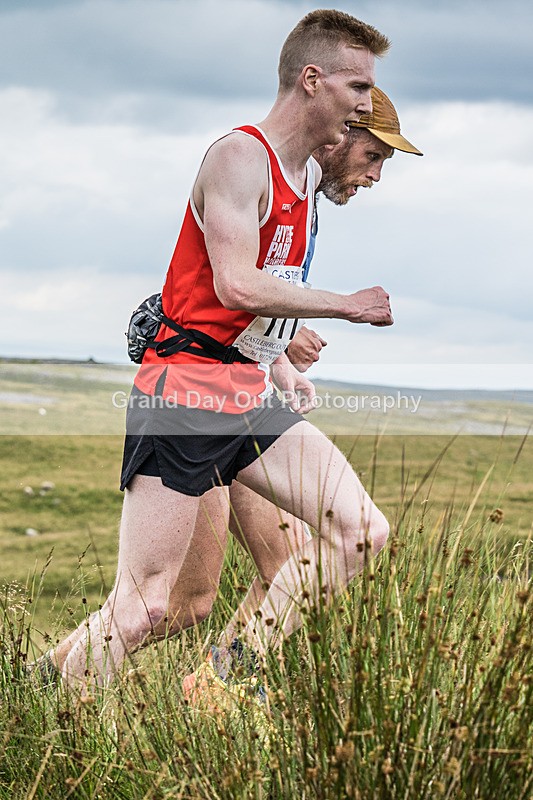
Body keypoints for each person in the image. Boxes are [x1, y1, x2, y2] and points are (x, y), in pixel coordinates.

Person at [52, 9, 397, 693]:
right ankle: (62, 739)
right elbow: (235, 282)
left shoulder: (303, 183)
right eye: (357, 87)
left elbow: (249, 303)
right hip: (184, 395)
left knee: (357, 532)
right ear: (311, 79)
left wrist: (275, 359)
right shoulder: (238, 155)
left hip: (244, 395)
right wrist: (345, 304)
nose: (365, 104)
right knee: (148, 607)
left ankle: (221, 678)